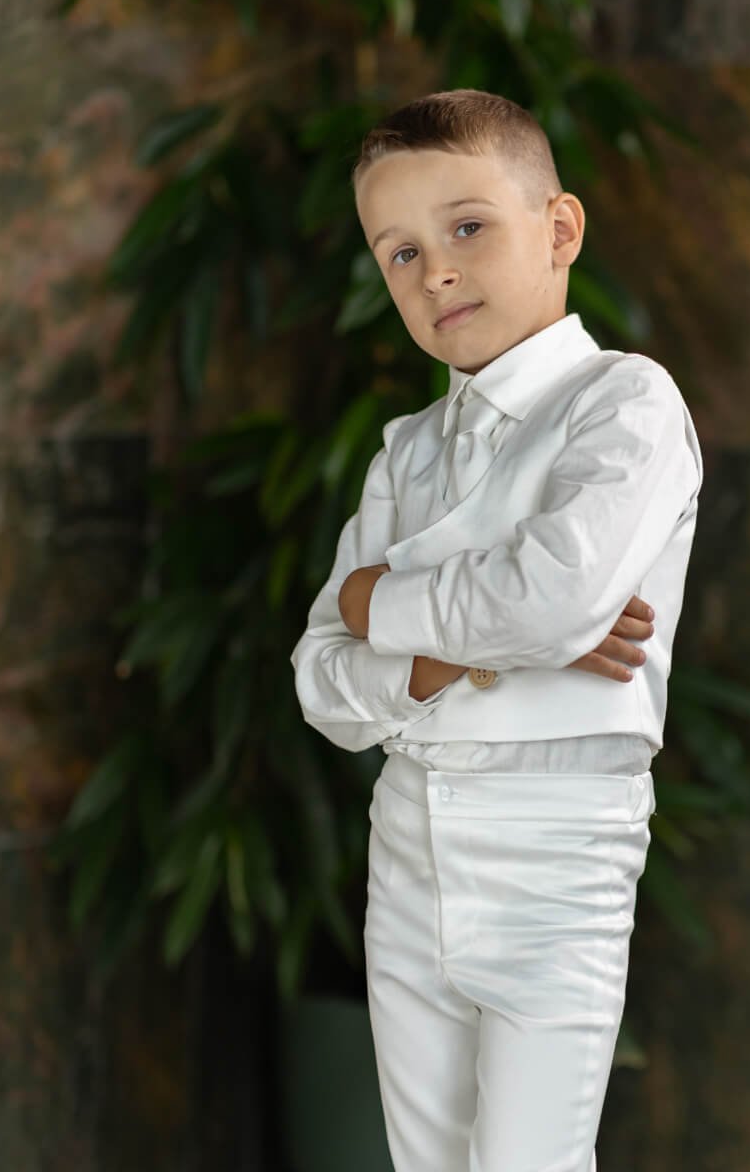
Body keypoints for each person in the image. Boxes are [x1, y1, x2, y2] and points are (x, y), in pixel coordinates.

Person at [290, 88, 702, 1172]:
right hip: (410, 838)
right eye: (400, 252)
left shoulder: (627, 404)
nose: (436, 271)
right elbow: (322, 683)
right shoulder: (405, 453)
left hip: (557, 841)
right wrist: (467, 646)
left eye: (467, 226)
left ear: (558, 229)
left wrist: (380, 602)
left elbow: (553, 597)